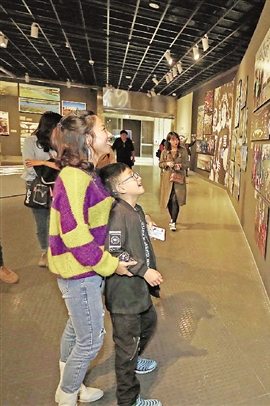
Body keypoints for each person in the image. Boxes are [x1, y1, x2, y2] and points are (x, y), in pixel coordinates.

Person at [48, 111, 136, 406]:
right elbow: (74, 235)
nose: (108, 134)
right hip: (80, 272)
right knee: (90, 340)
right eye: (103, 128)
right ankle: (67, 396)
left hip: (85, 269)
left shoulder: (85, 173)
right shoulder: (74, 177)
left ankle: (70, 387)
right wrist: (111, 265)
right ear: (87, 139)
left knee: (76, 329)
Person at [98, 163, 163, 406]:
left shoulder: (136, 210)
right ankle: (128, 400)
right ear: (120, 188)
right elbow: (115, 251)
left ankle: (134, 358)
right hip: (124, 296)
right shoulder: (117, 215)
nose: (138, 178)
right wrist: (144, 271)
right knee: (125, 349)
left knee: (149, 322)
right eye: (131, 176)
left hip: (138, 291)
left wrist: (147, 224)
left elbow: (137, 233)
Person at [21, 111, 62, 267]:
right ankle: (45, 251)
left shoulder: (58, 142)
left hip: (57, 185)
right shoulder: (31, 142)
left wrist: (42, 163)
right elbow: (29, 167)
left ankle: (55, 251)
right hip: (37, 186)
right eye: (58, 125)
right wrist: (50, 164)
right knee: (41, 221)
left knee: (56, 219)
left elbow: (63, 165)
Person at [159, 132, 189, 231]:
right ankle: (172, 217)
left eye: (177, 139)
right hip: (167, 179)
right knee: (168, 200)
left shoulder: (183, 151)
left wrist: (181, 166)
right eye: (173, 140)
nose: (176, 141)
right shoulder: (165, 152)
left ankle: (173, 221)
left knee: (176, 199)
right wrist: (167, 164)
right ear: (168, 141)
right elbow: (160, 164)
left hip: (179, 178)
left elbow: (187, 164)